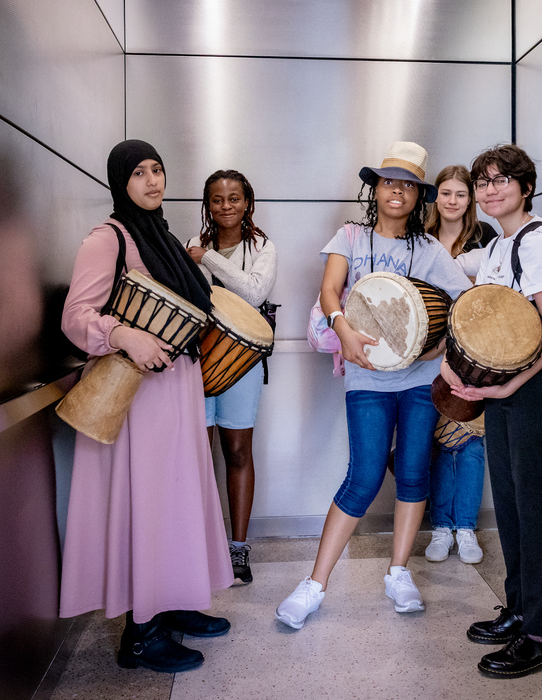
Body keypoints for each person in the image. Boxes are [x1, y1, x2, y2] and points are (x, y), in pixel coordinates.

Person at [275, 142, 471, 629]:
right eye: (389, 181)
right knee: (363, 475)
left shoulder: (428, 249)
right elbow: (328, 290)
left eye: (407, 184)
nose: (397, 190)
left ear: (418, 194)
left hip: (421, 380)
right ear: (376, 189)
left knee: (411, 472)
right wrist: (341, 326)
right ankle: (314, 584)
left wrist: (437, 346)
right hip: (366, 376)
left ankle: (398, 572)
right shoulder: (350, 237)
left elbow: (465, 303)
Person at [59, 140, 234, 673]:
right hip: (138, 397)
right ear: (120, 181)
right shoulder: (107, 237)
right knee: (149, 505)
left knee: (174, 500)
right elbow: (75, 316)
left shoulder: (161, 236)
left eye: (158, 170)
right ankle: (141, 633)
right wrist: (123, 335)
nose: (153, 181)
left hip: (173, 389)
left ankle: (173, 602)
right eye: (139, 173)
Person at [442, 144, 542, 678]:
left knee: (535, 511)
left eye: (502, 180)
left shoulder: (537, 242)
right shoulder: (499, 244)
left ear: (526, 186)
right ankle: (519, 611)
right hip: (504, 391)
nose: (492, 189)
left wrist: (510, 385)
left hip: (534, 391)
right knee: (513, 509)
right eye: (483, 182)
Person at [186, 169, 278, 585]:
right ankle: (198, 546)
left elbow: (254, 294)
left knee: (238, 452)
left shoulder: (262, 247)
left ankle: (238, 550)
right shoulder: (192, 243)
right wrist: (198, 255)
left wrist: (205, 259)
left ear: (248, 203)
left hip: (241, 365)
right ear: (207, 204)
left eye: (234, 198)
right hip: (195, 363)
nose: (226, 206)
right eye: (217, 199)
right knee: (198, 458)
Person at [422, 164, 496, 564]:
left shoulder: (485, 239)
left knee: (470, 444)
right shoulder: (420, 239)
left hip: (473, 356)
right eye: (445, 193)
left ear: (471, 200)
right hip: (428, 356)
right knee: (433, 442)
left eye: (461, 194)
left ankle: (466, 528)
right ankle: (439, 528)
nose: (452, 201)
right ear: (435, 197)